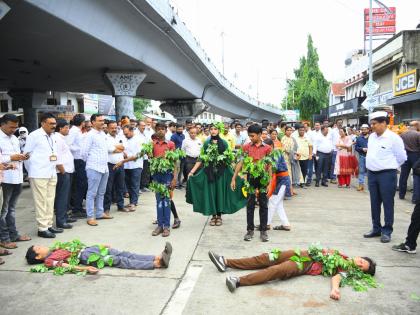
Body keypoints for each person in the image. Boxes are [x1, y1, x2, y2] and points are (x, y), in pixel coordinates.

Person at [208, 248, 376, 299]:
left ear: (360, 272)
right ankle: (226, 262)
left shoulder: (347, 270)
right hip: (303, 252)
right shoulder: (344, 256)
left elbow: (337, 277)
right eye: (362, 260)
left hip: (306, 264)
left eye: (362, 266)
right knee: (266, 258)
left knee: (276, 271)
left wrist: (334, 289)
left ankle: (238, 281)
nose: (359, 262)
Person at [187, 123, 246, 227]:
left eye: (215, 129)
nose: (213, 131)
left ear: (219, 130)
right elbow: (201, 158)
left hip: (222, 173)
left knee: (219, 193)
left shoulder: (224, 143)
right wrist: (192, 172)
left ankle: (219, 216)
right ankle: (213, 216)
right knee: (211, 193)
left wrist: (237, 173)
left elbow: (229, 159)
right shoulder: (206, 143)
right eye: (211, 129)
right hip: (209, 172)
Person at [364, 111, 407, 243]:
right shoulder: (372, 137)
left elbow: (402, 158)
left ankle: (387, 230)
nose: (372, 126)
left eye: (375, 124)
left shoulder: (394, 138)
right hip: (372, 174)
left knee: (388, 203)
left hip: (387, 175)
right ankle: (376, 228)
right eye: (371, 124)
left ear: (384, 123)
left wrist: (391, 167)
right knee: (374, 203)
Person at [231, 124, 272, 242]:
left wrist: (269, 182)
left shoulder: (267, 148)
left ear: (259, 135)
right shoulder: (246, 147)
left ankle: (263, 231)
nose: (251, 138)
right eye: (249, 136)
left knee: (264, 204)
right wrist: (234, 178)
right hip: (250, 178)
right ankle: (250, 230)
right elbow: (240, 163)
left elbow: (269, 166)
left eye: (252, 136)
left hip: (263, 178)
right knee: (250, 204)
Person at [25, 113, 62, 238]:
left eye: (54, 123)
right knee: (41, 201)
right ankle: (42, 228)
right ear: (42, 123)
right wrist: (32, 171)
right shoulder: (34, 135)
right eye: (51, 123)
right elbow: (26, 155)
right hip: (38, 173)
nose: (54, 126)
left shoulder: (53, 136)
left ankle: (49, 225)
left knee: (50, 199)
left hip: (51, 171)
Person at [26, 242, 173, 271]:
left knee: (123, 253)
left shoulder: (54, 248)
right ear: (38, 257)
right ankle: (155, 264)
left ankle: (156, 256)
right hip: (86, 258)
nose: (42, 246)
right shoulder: (49, 261)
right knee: (119, 260)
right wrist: (85, 269)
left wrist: (100, 245)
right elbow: (65, 265)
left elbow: (76, 245)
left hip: (89, 249)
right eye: (38, 248)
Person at [0, 114, 31, 248]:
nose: (13, 130)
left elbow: (15, 156)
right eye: (11, 127)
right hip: (5, 178)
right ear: (3, 124)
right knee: (4, 210)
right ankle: (4, 238)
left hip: (17, 177)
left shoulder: (14, 138)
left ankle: (13, 234)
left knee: (11, 209)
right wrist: (11, 157)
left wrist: (22, 157)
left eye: (15, 127)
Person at [81, 114, 113, 226]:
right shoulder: (89, 135)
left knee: (101, 192)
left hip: (104, 167)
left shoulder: (103, 134)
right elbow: (83, 153)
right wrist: (91, 162)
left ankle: (100, 213)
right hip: (94, 167)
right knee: (91, 193)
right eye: (99, 120)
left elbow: (106, 149)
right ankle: (90, 216)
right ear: (93, 122)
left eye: (103, 120)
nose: (102, 122)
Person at [151, 123, 178, 237]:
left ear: (166, 131)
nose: (160, 131)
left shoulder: (171, 144)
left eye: (163, 129)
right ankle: (159, 225)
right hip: (156, 174)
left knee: (166, 201)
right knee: (158, 201)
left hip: (167, 174)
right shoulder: (152, 144)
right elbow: (150, 158)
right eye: (158, 129)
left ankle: (166, 226)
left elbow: (175, 162)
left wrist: (175, 178)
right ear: (155, 131)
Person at [265, 139, 291, 231]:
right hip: (279, 180)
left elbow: (273, 167)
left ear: (271, 146)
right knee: (278, 203)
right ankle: (286, 224)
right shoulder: (271, 154)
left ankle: (266, 224)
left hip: (283, 180)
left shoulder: (276, 153)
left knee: (272, 201)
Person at [54, 119, 75, 230]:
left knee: (66, 196)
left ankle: (65, 217)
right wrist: (63, 171)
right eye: (66, 128)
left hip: (67, 171)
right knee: (62, 197)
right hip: (62, 172)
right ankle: (61, 221)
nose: (68, 130)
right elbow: (57, 158)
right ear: (60, 128)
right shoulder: (57, 139)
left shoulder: (62, 138)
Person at [118, 125, 144, 211]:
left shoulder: (139, 139)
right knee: (128, 185)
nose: (125, 135)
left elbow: (137, 156)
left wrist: (123, 161)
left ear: (131, 131)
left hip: (136, 166)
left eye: (127, 134)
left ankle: (134, 203)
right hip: (127, 166)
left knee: (134, 185)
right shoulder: (124, 139)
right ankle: (131, 202)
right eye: (124, 134)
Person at [103, 121, 126, 214]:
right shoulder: (105, 138)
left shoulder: (120, 137)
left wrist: (116, 148)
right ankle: (106, 208)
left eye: (115, 128)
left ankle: (120, 206)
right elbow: (108, 149)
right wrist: (118, 148)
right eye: (112, 128)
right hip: (110, 165)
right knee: (108, 188)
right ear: (108, 128)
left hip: (120, 164)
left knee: (120, 187)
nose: (114, 129)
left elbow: (123, 148)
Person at [67, 113, 87, 218]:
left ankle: (78, 207)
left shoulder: (77, 131)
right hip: (77, 160)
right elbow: (68, 145)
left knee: (81, 184)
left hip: (81, 159)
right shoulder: (74, 131)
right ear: (82, 123)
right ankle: (76, 208)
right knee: (79, 185)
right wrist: (79, 149)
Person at [398, 121, 420, 203]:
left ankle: (401, 194)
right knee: (416, 177)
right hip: (416, 156)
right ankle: (415, 198)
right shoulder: (418, 134)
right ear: (416, 125)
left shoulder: (403, 134)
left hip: (405, 156)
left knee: (403, 176)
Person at [281, 126, 300, 194]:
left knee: (291, 173)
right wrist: (295, 153)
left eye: (290, 130)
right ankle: (288, 191)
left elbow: (293, 148)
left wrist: (295, 154)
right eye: (288, 130)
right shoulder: (284, 138)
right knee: (288, 174)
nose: (289, 131)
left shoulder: (291, 138)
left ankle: (291, 189)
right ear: (285, 131)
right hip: (285, 158)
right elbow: (286, 149)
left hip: (291, 158)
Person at [355, 124, 370, 191]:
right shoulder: (359, 138)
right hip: (362, 156)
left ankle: (371, 185)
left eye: (365, 129)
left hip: (370, 157)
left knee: (370, 171)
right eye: (362, 129)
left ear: (368, 129)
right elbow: (356, 148)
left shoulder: (372, 138)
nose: (364, 131)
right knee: (361, 171)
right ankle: (361, 185)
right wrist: (362, 149)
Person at [171, 124, 185, 189]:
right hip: (176, 156)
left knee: (181, 170)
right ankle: (175, 184)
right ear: (176, 129)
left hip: (183, 156)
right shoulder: (173, 136)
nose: (180, 130)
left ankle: (179, 182)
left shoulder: (183, 135)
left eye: (181, 129)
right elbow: (171, 146)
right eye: (179, 129)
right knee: (176, 170)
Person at [329, 119, 343, 184]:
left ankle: (339, 178)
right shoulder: (333, 131)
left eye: (341, 123)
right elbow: (330, 140)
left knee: (340, 165)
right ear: (336, 123)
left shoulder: (343, 131)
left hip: (342, 150)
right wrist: (332, 148)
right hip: (335, 150)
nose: (340, 124)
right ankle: (333, 178)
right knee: (334, 164)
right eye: (339, 123)